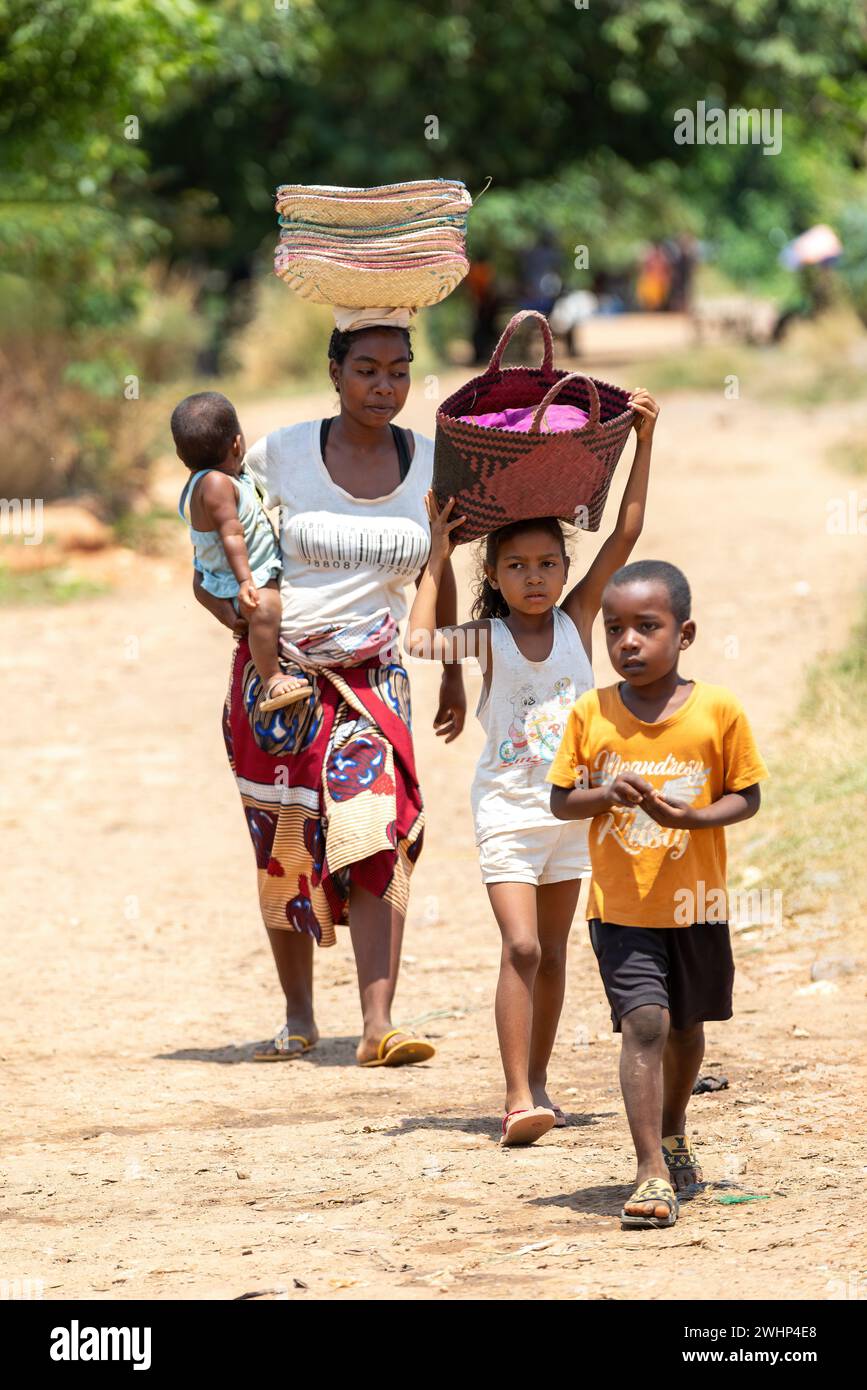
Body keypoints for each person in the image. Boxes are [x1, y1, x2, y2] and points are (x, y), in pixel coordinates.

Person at [193, 315, 467, 1066]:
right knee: (288, 842)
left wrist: (449, 671)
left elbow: (439, 572)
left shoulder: (432, 464)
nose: (384, 385)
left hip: (377, 676)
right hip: (280, 685)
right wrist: (244, 628)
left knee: (380, 828)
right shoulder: (280, 456)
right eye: (367, 369)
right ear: (334, 372)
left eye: (399, 370)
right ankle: (298, 1014)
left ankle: (378, 1024)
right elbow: (211, 550)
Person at [406, 390, 659, 1144]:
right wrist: (436, 553)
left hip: (574, 814)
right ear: (496, 572)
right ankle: (516, 1096)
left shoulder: (581, 619)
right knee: (519, 947)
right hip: (510, 812)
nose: (536, 577)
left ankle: (538, 1085)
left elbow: (628, 529)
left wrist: (645, 438)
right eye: (516, 566)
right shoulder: (489, 638)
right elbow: (418, 646)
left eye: (548, 563)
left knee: (552, 953)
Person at [548, 560, 767, 1227]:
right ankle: (647, 1170)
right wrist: (602, 794)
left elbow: (746, 796)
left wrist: (691, 819)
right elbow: (560, 801)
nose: (627, 643)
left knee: (686, 1027)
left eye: (646, 627)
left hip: (695, 904)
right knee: (644, 1023)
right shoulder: (593, 713)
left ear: (685, 632)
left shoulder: (717, 711)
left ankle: (673, 1131)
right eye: (613, 629)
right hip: (620, 907)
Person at [174, 392, 308, 710]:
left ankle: (248, 633)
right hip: (238, 579)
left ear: (181, 455)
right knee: (266, 609)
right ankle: (272, 677)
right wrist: (246, 581)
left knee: (253, 618)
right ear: (237, 443)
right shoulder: (216, 485)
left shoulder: (225, 477)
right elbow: (231, 533)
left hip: (218, 575)